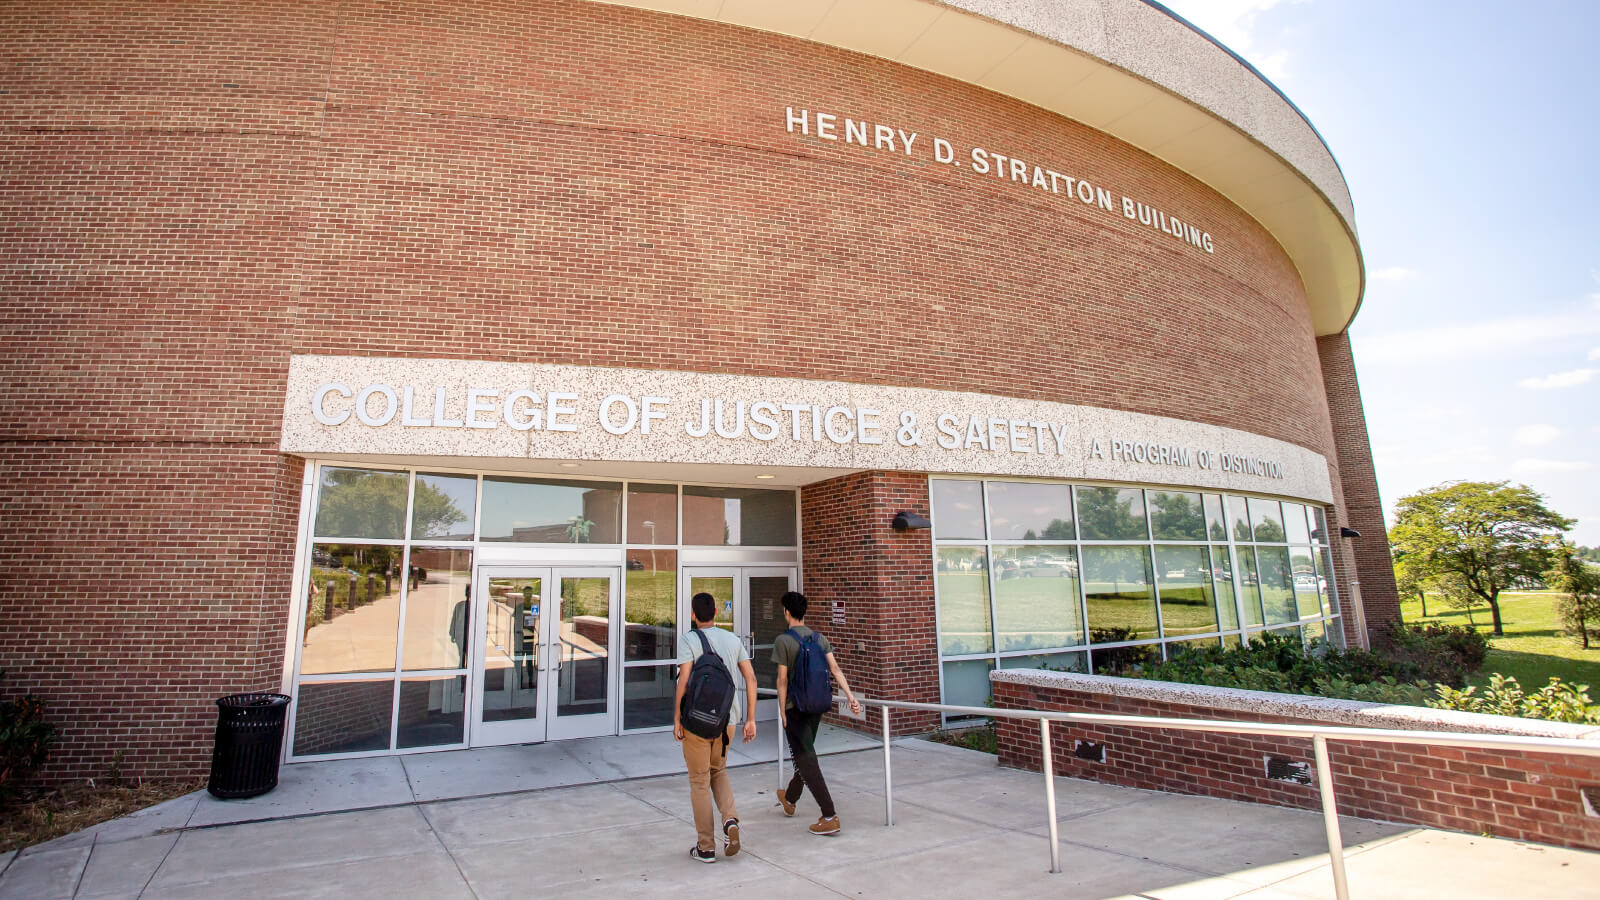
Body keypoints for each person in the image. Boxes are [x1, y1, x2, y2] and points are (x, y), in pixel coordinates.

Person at [674, 591, 758, 863]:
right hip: (727, 722)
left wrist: (677, 717)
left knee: (699, 781)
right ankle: (730, 821)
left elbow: (684, 680)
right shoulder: (732, 640)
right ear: (716, 614)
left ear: (693, 615)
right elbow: (751, 678)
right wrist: (751, 718)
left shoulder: (689, 640)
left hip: (696, 724)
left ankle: (706, 846)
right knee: (718, 772)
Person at [772, 590, 860, 836]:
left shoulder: (784, 641)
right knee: (806, 753)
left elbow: (781, 681)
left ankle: (829, 814)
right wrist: (851, 697)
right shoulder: (820, 639)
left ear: (787, 612)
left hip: (795, 707)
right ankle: (790, 798)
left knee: (806, 758)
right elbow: (835, 669)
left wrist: (782, 710)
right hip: (817, 706)